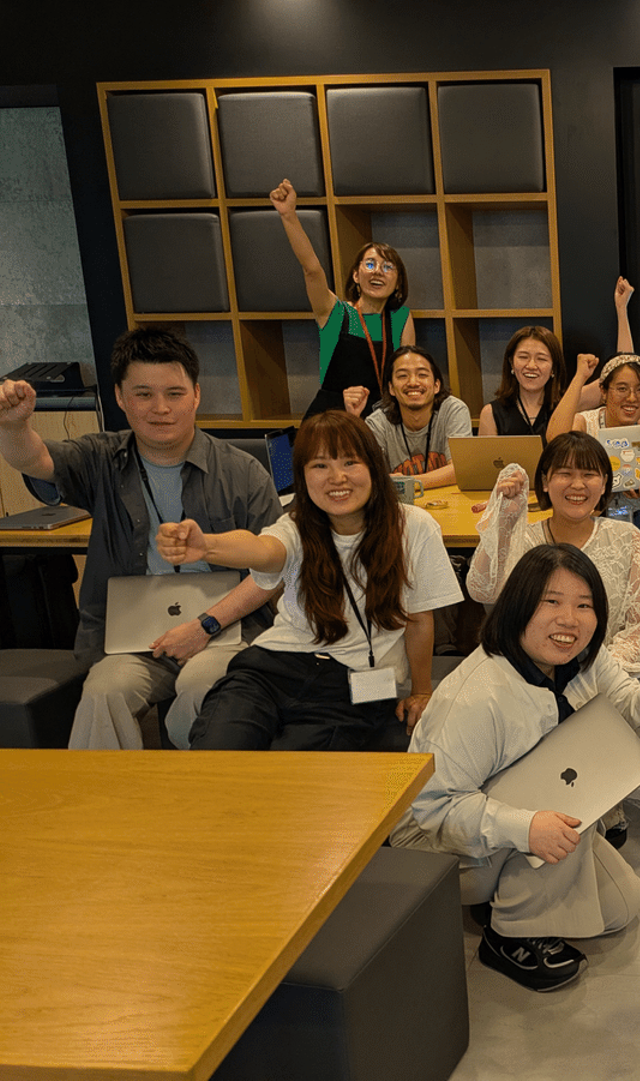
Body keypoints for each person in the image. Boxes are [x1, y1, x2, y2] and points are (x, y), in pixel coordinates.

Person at [391, 544, 640, 992]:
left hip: (512, 808)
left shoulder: (585, 659)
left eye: (584, 605)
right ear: (518, 605)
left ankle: (507, 887)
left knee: (621, 907)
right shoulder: (477, 695)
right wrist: (527, 827)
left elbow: (631, 717)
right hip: (432, 843)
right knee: (567, 808)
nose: (569, 619)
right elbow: (434, 807)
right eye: (551, 601)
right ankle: (508, 935)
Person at [0, 328, 280, 750]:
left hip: (222, 629)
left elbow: (274, 568)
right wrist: (13, 425)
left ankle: (189, 786)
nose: (160, 408)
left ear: (196, 395)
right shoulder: (100, 458)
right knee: (104, 693)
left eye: (174, 393)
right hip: (133, 638)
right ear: (120, 397)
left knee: (202, 687)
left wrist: (205, 625)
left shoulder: (242, 471)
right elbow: (36, 459)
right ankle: (105, 793)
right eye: (144, 394)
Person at [161, 410, 462, 749]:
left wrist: (422, 691)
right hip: (272, 666)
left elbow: (419, 619)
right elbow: (263, 550)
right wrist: (207, 546)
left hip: (352, 683)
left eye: (350, 462)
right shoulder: (296, 526)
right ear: (303, 477)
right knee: (218, 749)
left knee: (299, 769)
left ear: (374, 467)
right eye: (320, 465)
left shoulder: (414, 526)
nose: (337, 478)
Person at [467, 431, 640, 678]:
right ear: (545, 481)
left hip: (604, 677)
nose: (578, 485)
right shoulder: (524, 538)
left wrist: (594, 674)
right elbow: (482, 590)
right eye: (565, 474)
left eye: (589, 475)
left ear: (604, 483)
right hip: (529, 675)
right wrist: (504, 522)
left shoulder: (627, 538)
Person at [548, 351, 640, 638]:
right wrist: (580, 376)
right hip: (599, 518)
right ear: (604, 392)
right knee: (606, 576)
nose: (632, 398)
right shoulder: (586, 423)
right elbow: (556, 439)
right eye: (622, 388)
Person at [269, 178, 414, 418]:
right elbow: (312, 270)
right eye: (370, 264)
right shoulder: (336, 312)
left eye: (388, 267)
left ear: (398, 282)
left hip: (383, 419)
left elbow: (407, 376)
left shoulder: (401, 318)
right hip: (331, 420)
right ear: (356, 275)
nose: (378, 271)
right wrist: (288, 216)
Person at [353, 345, 471, 487]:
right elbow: (367, 476)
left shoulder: (453, 410)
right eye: (403, 376)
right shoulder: (378, 423)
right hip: (400, 501)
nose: (413, 382)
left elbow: (460, 469)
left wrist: (407, 483)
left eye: (422, 375)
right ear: (391, 388)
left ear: (436, 385)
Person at [477, 326, 600, 439]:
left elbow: (607, 383)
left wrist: (581, 375)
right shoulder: (491, 413)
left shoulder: (565, 407)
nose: (531, 366)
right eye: (523, 357)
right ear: (511, 363)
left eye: (541, 359)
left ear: (553, 367)